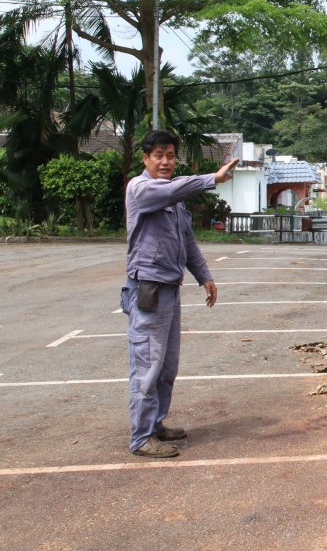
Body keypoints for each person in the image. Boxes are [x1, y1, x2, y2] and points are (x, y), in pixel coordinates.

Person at [121, 130, 238, 458]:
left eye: (170, 155)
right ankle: (141, 437)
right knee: (147, 365)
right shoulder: (141, 189)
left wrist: (205, 276)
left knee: (166, 366)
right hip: (148, 290)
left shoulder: (174, 200)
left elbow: (187, 242)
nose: (165, 161)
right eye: (158, 155)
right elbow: (172, 188)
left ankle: (156, 424)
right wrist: (211, 179)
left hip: (169, 291)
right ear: (146, 159)